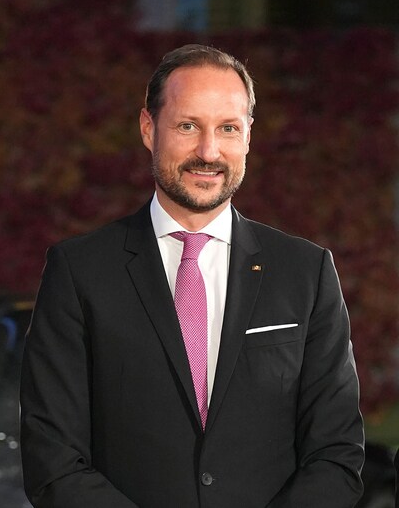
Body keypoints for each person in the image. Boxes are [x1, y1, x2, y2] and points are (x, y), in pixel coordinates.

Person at [20, 44, 364, 507]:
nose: (209, 151)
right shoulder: (79, 272)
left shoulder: (306, 272)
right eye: (188, 126)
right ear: (148, 128)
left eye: (228, 128)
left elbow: (336, 454)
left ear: (247, 137)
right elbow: (52, 459)